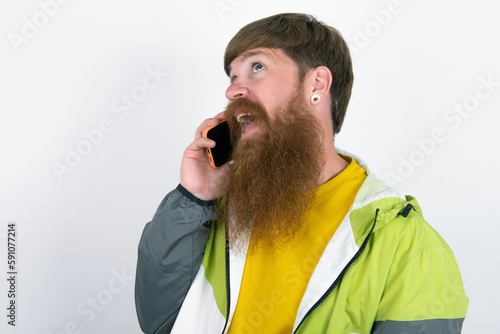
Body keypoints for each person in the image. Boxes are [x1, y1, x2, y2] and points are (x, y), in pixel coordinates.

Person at [134, 13, 469, 334]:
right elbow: (160, 322)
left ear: (317, 84)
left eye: (257, 67)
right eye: (233, 76)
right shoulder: (217, 211)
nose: (232, 91)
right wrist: (193, 198)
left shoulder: (410, 248)